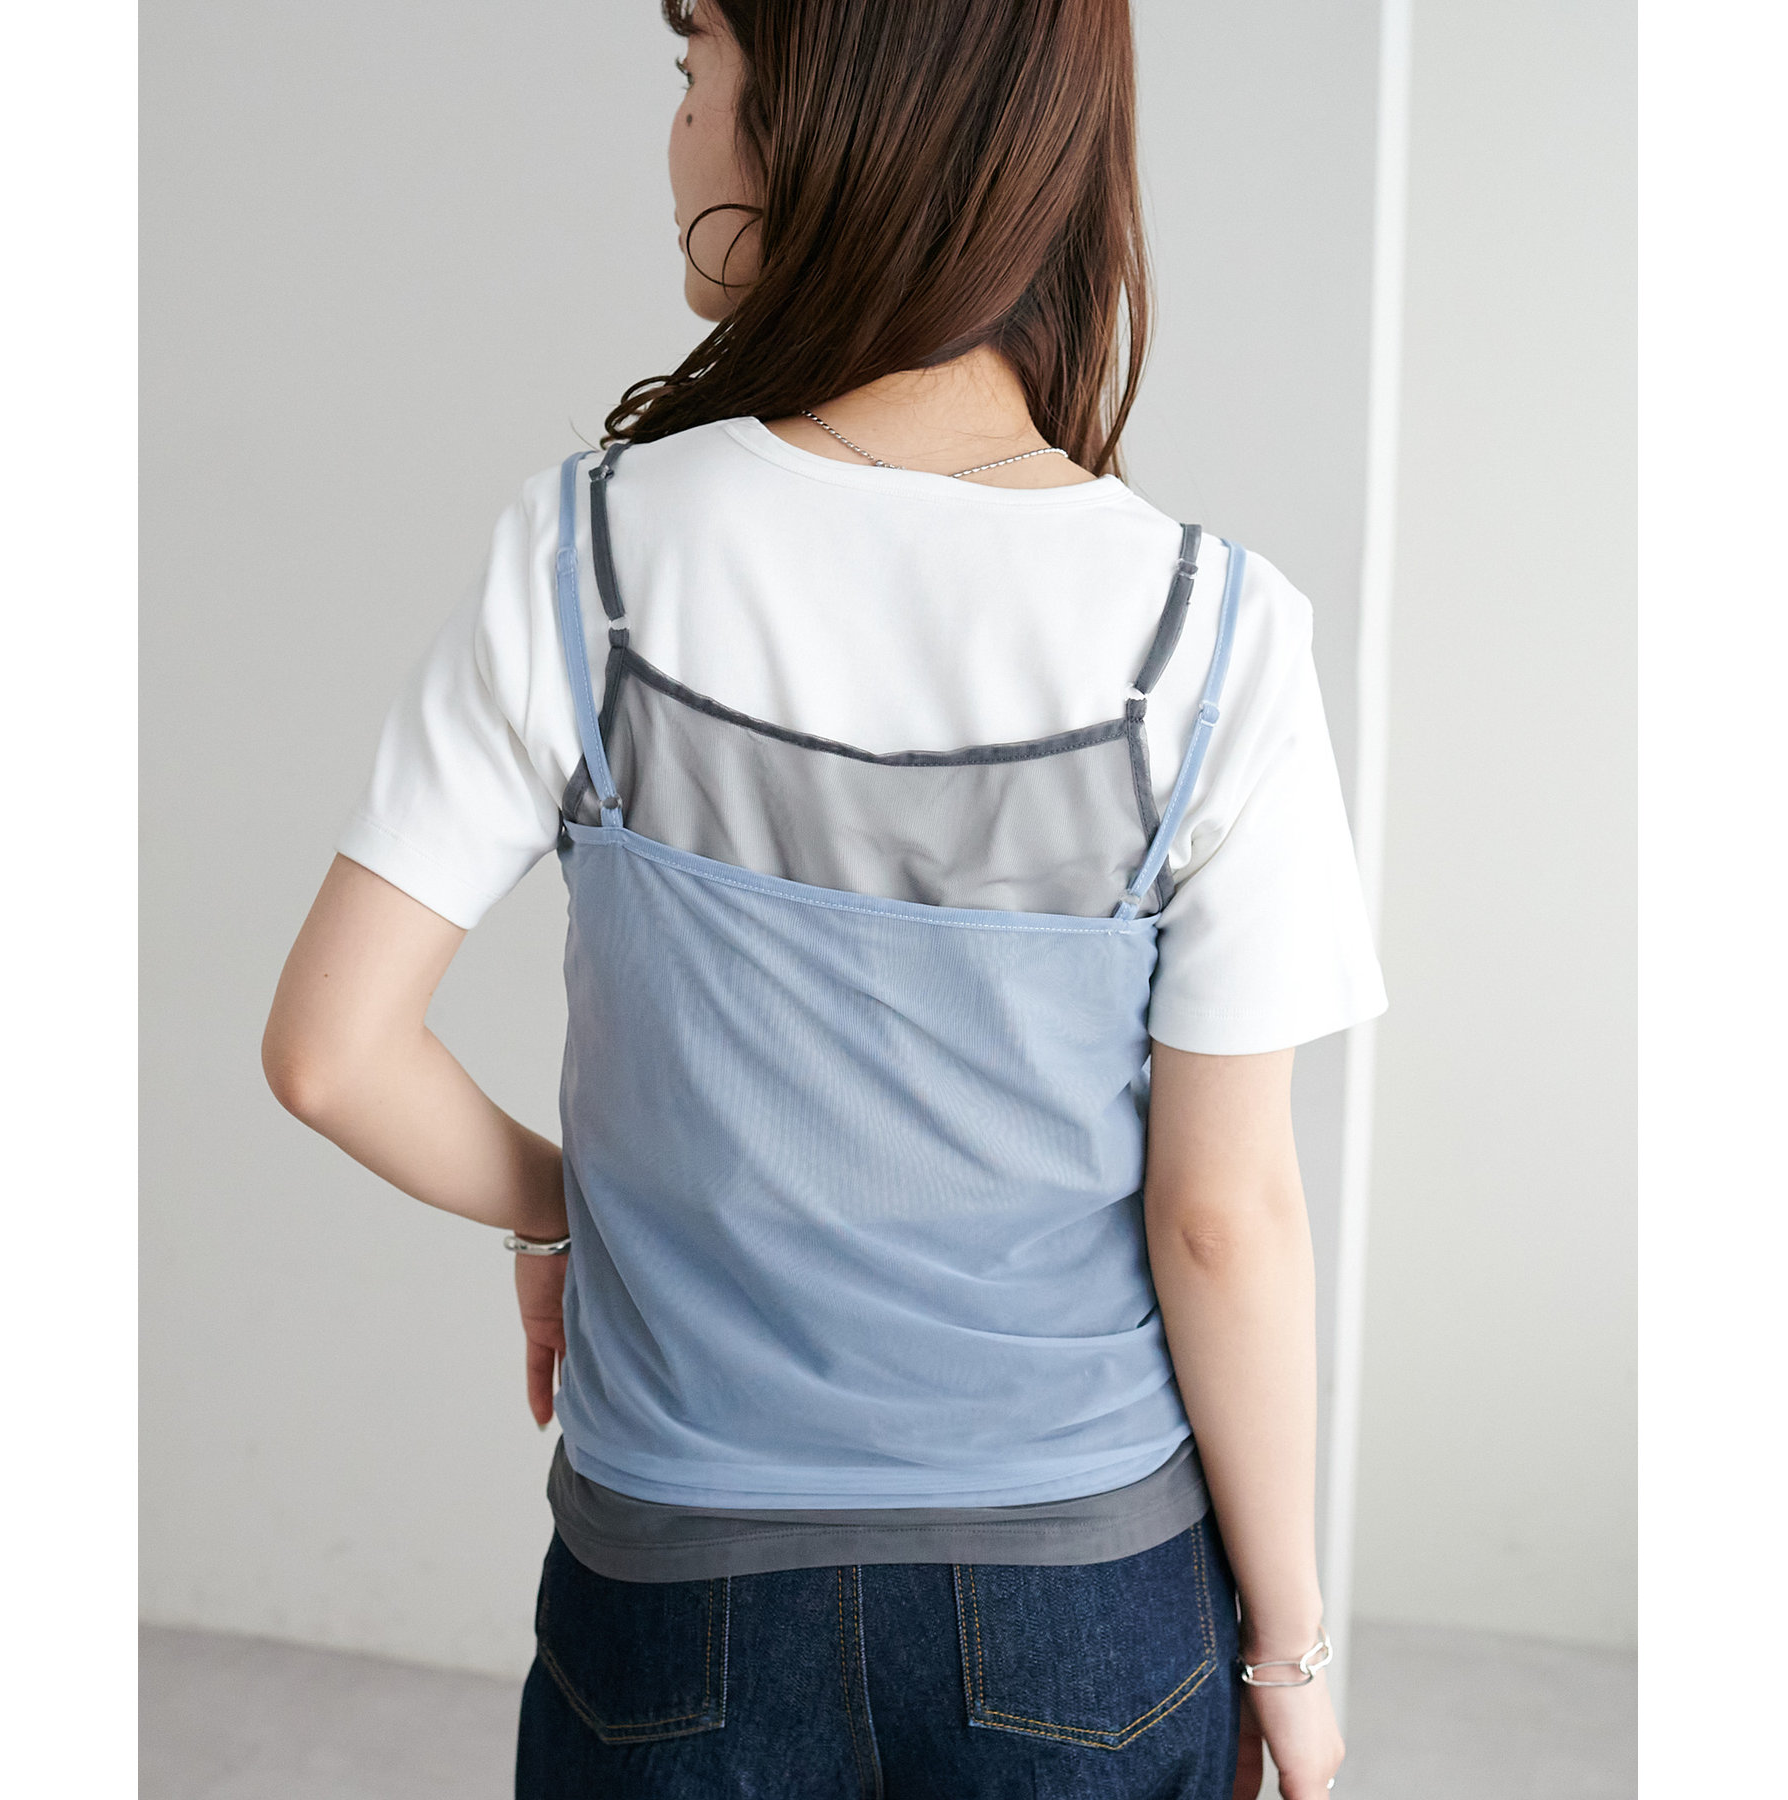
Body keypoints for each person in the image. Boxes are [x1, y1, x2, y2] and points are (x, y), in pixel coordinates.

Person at [262, 1, 1385, 1794]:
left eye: (692, 71)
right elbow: (1223, 1219)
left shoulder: (588, 553)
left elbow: (331, 1054)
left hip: (675, 1593)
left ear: (819, 117)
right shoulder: (1217, 632)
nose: (679, 133)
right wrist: (1292, 1651)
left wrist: (566, 1215)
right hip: (1083, 1606)